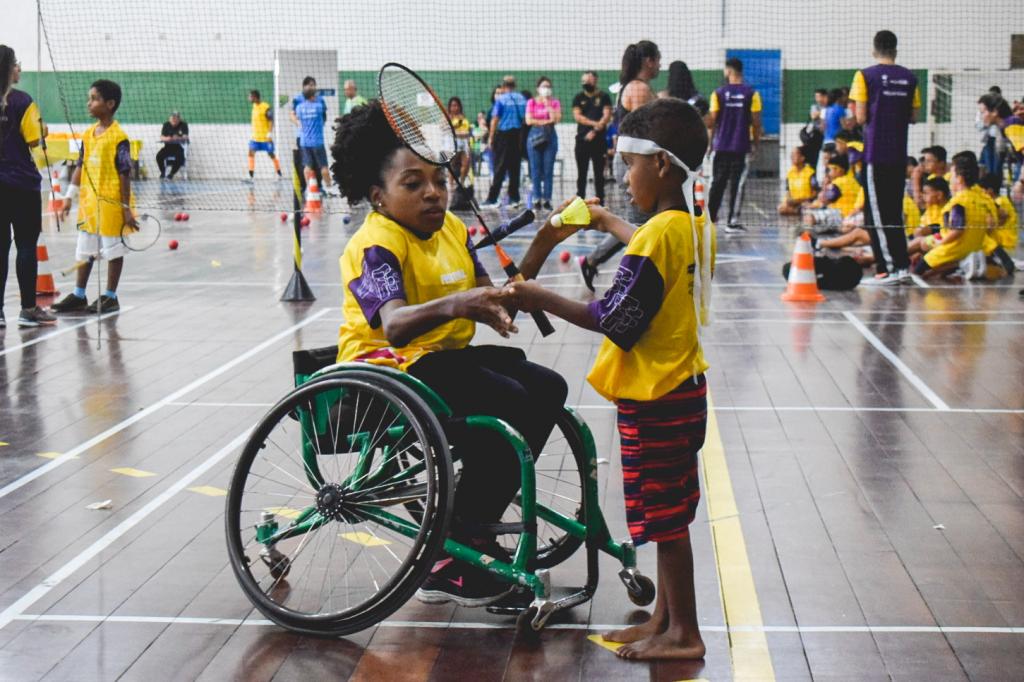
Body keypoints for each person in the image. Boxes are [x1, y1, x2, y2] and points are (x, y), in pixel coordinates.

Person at [328, 99, 567, 606]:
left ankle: (470, 526)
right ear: (378, 196)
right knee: (507, 398)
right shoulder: (376, 244)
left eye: (439, 180)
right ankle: (450, 549)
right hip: (388, 369)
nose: (433, 192)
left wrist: (546, 240)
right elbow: (394, 326)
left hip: (441, 361)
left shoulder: (453, 230)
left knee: (548, 388)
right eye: (413, 184)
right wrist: (461, 303)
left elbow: (497, 300)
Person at [508, 98, 713, 661]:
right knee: (671, 515)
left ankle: (684, 634)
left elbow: (616, 321)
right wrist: (604, 223)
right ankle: (664, 620)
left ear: (661, 164)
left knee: (667, 522)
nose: (624, 178)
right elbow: (650, 243)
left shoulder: (656, 238)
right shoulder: (692, 225)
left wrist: (537, 295)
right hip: (682, 387)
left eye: (629, 165)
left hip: (655, 395)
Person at [578, 40, 661, 291]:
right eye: (658, 59)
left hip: (635, 163)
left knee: (639, 224)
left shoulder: (637, 87)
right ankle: (631, 285)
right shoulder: (638, 89)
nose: (660, 64)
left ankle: (593, 260)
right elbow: (647, 133)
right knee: (639, 228)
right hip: (633, 165)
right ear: (648, 61)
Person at [52, 79, 134, 314]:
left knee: (113, 250)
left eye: (94, 99)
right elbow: (80, 166)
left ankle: (110, 296)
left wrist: (126, 208)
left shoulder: (119, 137)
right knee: (84, 250)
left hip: (112, 204)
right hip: (89, 204)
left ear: (110, 104)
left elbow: (125, 173)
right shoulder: (88, 134)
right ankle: (79, 295)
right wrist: (69, 196)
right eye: (89, 98)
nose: (89, 103)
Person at [851, 30, 921, 285]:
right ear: (895, 50)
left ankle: (888, 269)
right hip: (898, 155)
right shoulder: (910, 78)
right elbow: (913, 117)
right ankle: (900, 266)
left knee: (876, 216)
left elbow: (860, 117)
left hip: (875, 154)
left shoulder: (864, 76)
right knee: (893, 212)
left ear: (874, 50)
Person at [0, 45, 56, 328]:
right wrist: (42, 130)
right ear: (8, 69)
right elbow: (35, 141)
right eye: (16, 64)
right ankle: (28, 310)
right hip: (21, 184)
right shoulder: (23, 101)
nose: (19, 69)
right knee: (25, 246)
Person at [912, 152, 995, 280]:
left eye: (952, 176)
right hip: (975, 246)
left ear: (959, 179)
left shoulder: (959, 202)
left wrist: (941, 243)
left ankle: (961, 263)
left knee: (917, 271)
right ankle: (960, 264)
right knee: (928, 267)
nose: (950, 179)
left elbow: (957, 230)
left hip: (954, 247)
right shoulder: (979, 198)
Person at [707, 57, 762, 233]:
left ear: (729, 71)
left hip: (721, 147)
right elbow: (756, 123)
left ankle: (709, 219)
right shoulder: (752, 94)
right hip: (741, 146)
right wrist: (756, 144)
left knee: (717, 183)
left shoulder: (718, 93)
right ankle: (732, 222)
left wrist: (709, 145)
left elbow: (712, 122)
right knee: (737, 185)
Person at [481, 76, 527, 209]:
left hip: (503, 136)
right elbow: (524, 118)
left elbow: (495, 119)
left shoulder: (501, 99)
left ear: (503, 86)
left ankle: (492, 199)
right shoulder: (521, 98)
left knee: (499, 168)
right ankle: (514, 198)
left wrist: (490, 138)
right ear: (515, 85)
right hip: (517, 136)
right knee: (515, 168)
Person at [572, 71, 613, 206]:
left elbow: (607, 115)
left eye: (589, 80)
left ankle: (600, 203)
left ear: (595, 80)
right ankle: (579, 203)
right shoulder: (578, 97)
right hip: (582, 141)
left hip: (599, 141)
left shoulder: (604, 97)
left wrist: (595, 130)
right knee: (581, 174)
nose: (586, 83)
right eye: (584, 80)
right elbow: (578, 117)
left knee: (599, 175)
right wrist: (595, 124)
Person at [290, 76, 336, 195]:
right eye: (310, 85)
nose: (312, 87)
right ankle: (326, 188)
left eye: (313, 85)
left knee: (309, 165)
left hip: (305, 140)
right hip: (313, 140)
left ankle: (315, 188)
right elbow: (292, 115)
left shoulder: (301, 107)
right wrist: (299, 123)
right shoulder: (315, 104)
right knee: (319, 165)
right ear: (304, 86)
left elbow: (324, 117)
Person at [525, 76, 561, 210]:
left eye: (548, 86)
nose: (546, 89)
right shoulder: (531, 102)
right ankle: (536, 198)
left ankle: (547, 199)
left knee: (548, 169)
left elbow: (556, 119)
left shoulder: (555, 102)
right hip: (534, 136)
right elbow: (529, 120)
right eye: (543, 86)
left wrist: (547, 104)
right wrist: (545, 122)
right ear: (538, 88)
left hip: (550, 136)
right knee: (535, 169)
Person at [978, 173, 1017, 274]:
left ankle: (998, 258)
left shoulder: (999, 202)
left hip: (1004, 237)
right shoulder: (1001, 200)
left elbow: (1001, 220)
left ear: (990, 191)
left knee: (983, 237)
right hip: (1003, 235)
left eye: (983, 190)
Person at [247, 90, 281, 180]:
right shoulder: (254, 106)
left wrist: (269, 134)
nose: (248, 98)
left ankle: (279, 173)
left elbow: (271, 120)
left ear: (255, 97)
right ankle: (250, 176)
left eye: (250, 97)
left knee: (271, 154)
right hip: (255, 138)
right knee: (250, 153)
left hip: (266, 138)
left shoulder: (266, 107)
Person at [778, 146, 818, 215]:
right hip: (793, 203)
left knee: (808, 207)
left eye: (795, 154)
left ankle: (798, 211)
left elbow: (815, 193)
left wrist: (799, 201)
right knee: (781, 208)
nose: (791, 157)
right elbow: (788, 191)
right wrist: (788, 199)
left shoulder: (810, 173)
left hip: (806, 202)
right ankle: (796, 211)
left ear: (802, 158)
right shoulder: (790, 173)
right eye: (791, 154)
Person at [155, 111, 188, 179]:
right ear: (170, 118)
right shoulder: (166, 124)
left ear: (179, 119)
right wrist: (168, 138)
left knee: (180, 158)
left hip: (178, 147)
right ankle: (163, 172)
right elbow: (162, 137)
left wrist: (178, 138)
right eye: (173, 118)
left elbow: (186, 137)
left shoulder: (183, 125)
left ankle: (171, 174)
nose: (174, 119)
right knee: (159, 156)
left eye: (176, 118)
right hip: (168, 147)